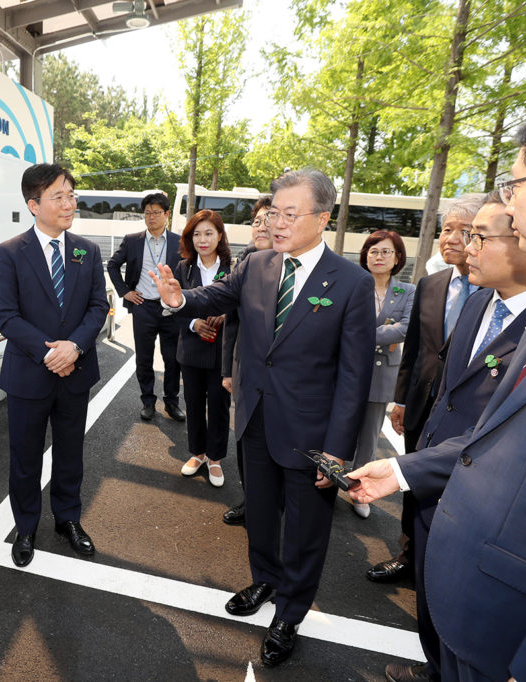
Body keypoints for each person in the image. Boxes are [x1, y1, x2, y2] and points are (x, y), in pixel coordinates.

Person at [350, 82, 526, 681]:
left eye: (517, 183)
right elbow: (494, 439)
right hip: (468, 610)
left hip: (521, 645)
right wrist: (401, 469)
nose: (506, 202)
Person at [151, 169, 374, 668]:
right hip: (254, 419)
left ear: (323, 217)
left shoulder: (352, 283)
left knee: (305, 529)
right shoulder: (256, 265)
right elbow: (216, 297)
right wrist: (179, 299)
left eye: (290, 213)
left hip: (313, 434)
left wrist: (338, 449)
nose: (277, 221)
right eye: (274, 210)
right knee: (259, 514)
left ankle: (290, 612)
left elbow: (354, 376)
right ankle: (264, 580)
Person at [383, 194, 526, 682]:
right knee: (430, 601)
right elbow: (449, 394)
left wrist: (401, 470)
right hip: (430, 488)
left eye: (481, 236)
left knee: (469, 626)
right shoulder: (480, 299)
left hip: (488, 505)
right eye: (466, 234)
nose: (464, 245)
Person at [0, 163, 109, 568]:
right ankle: (25, 527)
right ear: (33, 205)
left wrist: (74, 347)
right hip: (29, 374)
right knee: (25, 457)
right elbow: (7, 317)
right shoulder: (9, 253)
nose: (69, 203)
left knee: (71, 453)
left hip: (75, 371)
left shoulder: (87, 251)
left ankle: (68, 519)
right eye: (58, 196)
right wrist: (49, 353)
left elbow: (98, 307)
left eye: (71, 195)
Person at [366, 194, 483, 583]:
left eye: (462, 231)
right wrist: (400, 401)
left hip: (468, 413)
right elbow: (415, 348)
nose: (450, 238)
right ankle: (408, 554)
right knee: (412, 478)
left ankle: (443, 567)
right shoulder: (431, 284)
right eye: (446, 229)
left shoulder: (494, 293)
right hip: (421, 405)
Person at [350, 230, 415, 519]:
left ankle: (358, 489)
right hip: (348, 368)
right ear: (365, 256)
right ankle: (330, 474)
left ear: (397, 258)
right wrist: (383, 335)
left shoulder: (408, 291)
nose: (378, 257)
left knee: (369, 436)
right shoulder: (353, 285)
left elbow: (406, 327)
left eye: (386, 252)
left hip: (381, 373)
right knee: (338, 426)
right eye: (373, 251)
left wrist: (361, 334)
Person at [106, 193, 185, 422]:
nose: (151, 217)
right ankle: (148, 402)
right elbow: (112, 265)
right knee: (144, 358)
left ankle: (171, 403)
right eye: (147, 213)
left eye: (156, 213)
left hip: (171, 310)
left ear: (167, 215)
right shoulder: (133, 240)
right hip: (143, 308)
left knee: (172, 359)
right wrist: (125, 291)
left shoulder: (180, 242)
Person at [174, 210, 236, 486]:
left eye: (209, 233)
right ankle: (198, 454)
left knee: (220, 406)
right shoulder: (183, 268)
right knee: (194, 403)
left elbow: (243, 305)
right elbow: (173, 307)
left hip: (223, 352)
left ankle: (215, 458)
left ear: (220, 236)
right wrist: (194, 323)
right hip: (191, 349)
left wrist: (225, 315)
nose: (202, 239)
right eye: (196, 234)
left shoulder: (234, 268)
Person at [223, 196, 272, 525]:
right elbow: (232, 322)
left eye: (270, 220)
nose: (262, 226)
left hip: (284, 380)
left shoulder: (298, 268)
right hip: (245, 370)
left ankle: (273, 503)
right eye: (257, 221)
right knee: (244, 439)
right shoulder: (244, 263)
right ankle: (251, 500)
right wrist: (228, 370)